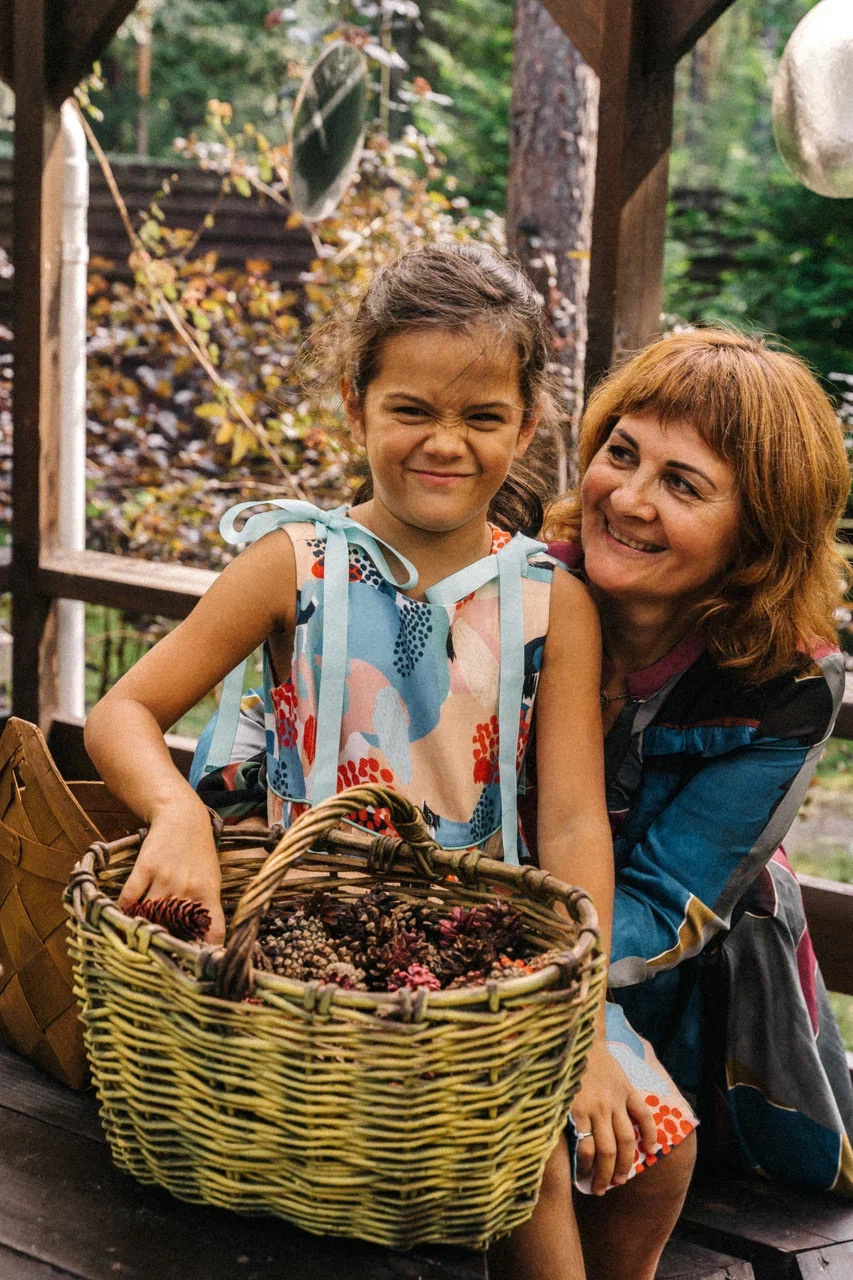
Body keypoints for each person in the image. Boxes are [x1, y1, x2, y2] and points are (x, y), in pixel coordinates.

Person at [86, 242, 697, 1280]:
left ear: (528, 424)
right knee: (532, 1165)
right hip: (307, 951)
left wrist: (582, 1012)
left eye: (482, 417)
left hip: (483, 959)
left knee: (654, 1149)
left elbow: (573, 826)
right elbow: (124, 711)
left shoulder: (552, 603)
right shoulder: (295, 564)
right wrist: (178, 816)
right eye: (411, 407)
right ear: (354, 401)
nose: (444, 443)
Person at [536, 329, 853, 1248]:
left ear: (756, 532)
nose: (627, 499)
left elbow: (666, 899)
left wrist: (531, 979)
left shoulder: (787, 684)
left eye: (682, 484)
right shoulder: (520, 592)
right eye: (621, 453)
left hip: (669, 984)